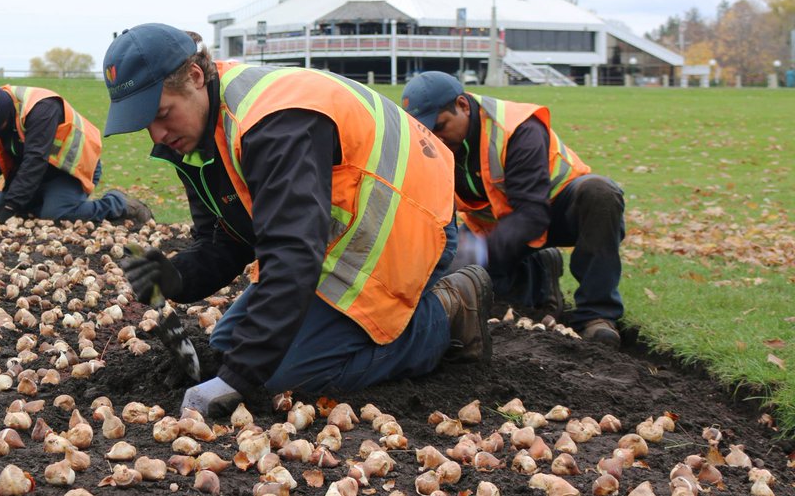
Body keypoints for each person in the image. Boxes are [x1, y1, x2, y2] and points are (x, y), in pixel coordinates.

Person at [102, 23, 493, 417]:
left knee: (283, 380)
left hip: (408, 221)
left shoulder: (273, 123)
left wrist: (238, 379)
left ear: (196, 77)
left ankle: (447, 311)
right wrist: (176, 277)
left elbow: (292, 255)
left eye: (163, 113)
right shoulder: (200, 134)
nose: (158, 133)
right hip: (336, 233)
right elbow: (229, 239)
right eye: (145, 122)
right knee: (226, 345)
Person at [400, 71, 625, 346]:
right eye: (427, 131)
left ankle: (596, 315)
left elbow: (532, 215)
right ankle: (539, 271)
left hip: (553, 211)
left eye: (441, 126)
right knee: (454, 284)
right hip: (495, 226)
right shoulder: (433, 145)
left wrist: (479, 252)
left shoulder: (517, 128)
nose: (436, 139)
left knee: (600, 193)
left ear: (462, 105)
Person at [0, 85, 152, 224]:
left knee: (57, 214)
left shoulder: (41, 107)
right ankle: (40, 204)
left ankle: (120, 204)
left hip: (71, 169)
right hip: (30, 173)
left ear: (6, 114)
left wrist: (12, 207)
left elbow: (35, 160)